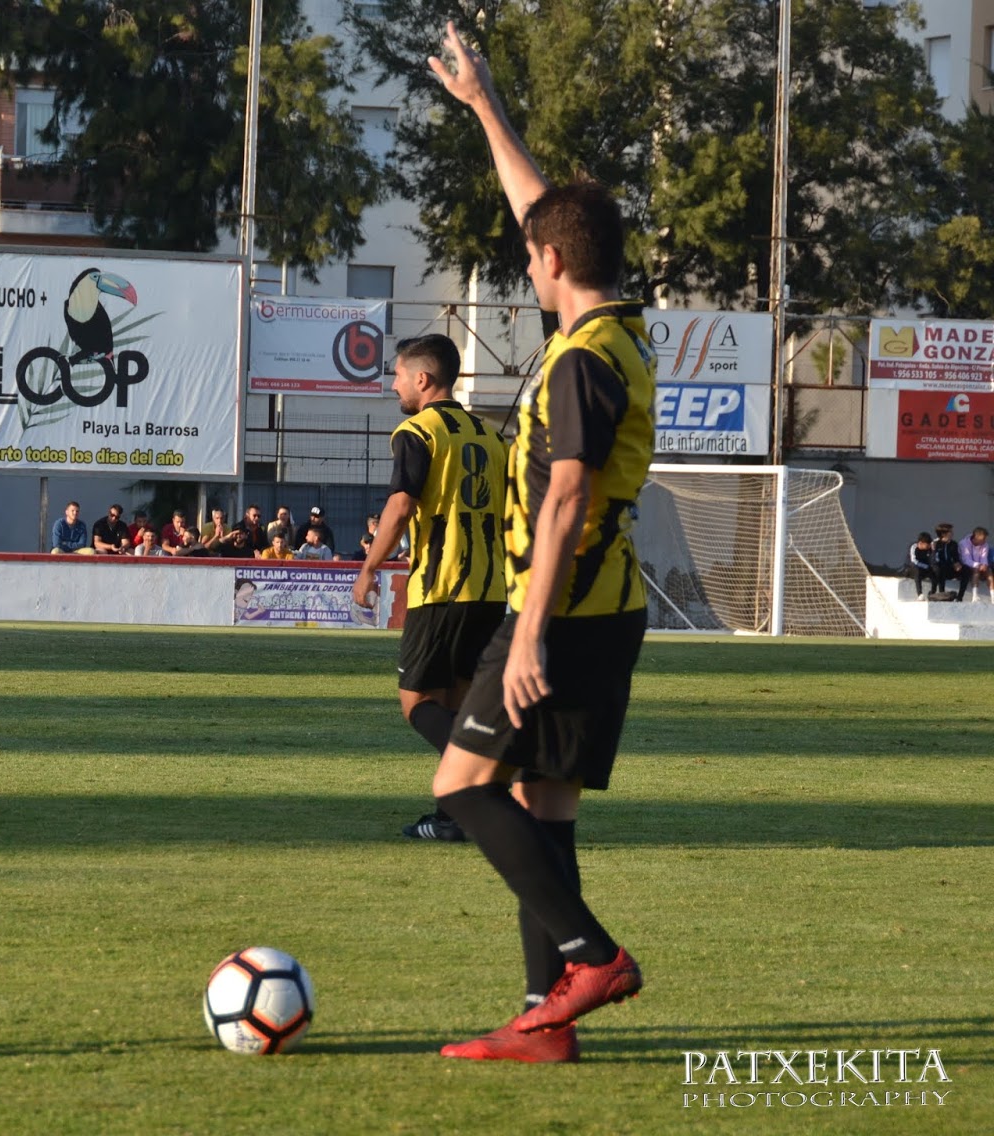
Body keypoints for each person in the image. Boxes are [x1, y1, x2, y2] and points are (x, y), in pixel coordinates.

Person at [420, 24, 654, 1063]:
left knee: (460, 786)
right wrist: (483, 106)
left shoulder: (577, 362)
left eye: (530, 253)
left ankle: (591, 956)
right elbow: (541, 210)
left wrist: (524, 636)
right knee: (540, 802)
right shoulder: (613, 330)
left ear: (554, 264)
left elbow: (564, 497)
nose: (525, 257)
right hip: (602, 608)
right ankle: (543, 1018)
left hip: (560, 610)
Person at [353, 333, 508, 845]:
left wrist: (369, 567)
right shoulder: (490, 436)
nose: (394, 384)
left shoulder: (417, 431)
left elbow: (400, 505)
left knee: (417, 703)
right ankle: (453, 817)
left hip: (441, 588)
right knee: (456, 704)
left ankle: (484, 779)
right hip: (489, 590)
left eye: (398, 375)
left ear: (422, 379)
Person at [931, 523, 965, 600]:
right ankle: (941, 592)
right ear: (943, 534)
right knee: (941, 567)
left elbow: (955, 557)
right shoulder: (936, 544)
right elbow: (934, 559)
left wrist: (957, 563)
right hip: (939, 568)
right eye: (950, 531)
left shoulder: (953, 544)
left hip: (950, 568)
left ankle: (960, 596)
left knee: (966, 570)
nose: (952, 533)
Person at [958, 526, 991, 602]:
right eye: (983, 539)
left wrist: (984, 565)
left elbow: (984, 557)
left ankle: (993, 597)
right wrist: (979, 565)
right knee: (976, 571)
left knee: (989, 572)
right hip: (966, 566)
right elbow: (966, 560)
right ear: (976, 537)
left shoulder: (985, 544)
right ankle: (975, 596)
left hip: (979, 566)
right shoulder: (963, 543)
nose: (984, 541)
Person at [906, 531, 933, 598]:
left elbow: (933, 560)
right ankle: (920, 594)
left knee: (935, 571)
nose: (928, 546)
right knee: (916, 570)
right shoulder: (914, 547)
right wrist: (926, 566)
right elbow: (914, 561)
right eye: (927, 545)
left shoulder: (929, 549)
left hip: (924, 569)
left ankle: (933, 592)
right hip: (913, 569)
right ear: (921, 543)